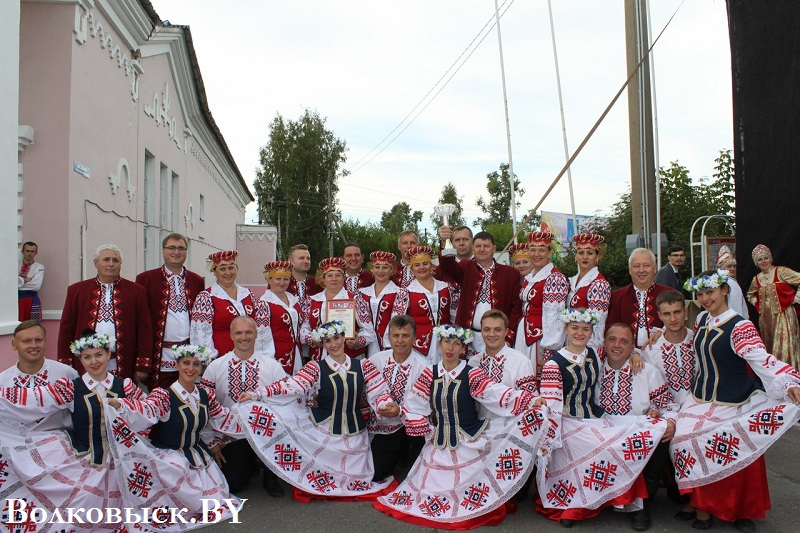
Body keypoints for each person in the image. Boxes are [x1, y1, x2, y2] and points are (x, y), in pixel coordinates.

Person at [374, 324, 550, 529]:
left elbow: (496, 393)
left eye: (456, 343)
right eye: (446, 341)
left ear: (463, 348)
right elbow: (415, 404)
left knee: (468, 486)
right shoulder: (430, 374)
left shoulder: (471, 373)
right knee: (429, 490)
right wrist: (411, 418)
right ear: (439, 344)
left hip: (469, 440)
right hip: (439, 441)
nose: (450, 347)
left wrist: (530, 401)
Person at [673, 269, 800, 531]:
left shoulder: (740, 326)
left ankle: (741, 510)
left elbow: (760, 360)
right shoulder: (702, 321)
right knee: (683, 438)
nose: (705, 298)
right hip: (701, 397)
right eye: (700, 293)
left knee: (738, 445)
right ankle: (700, 504)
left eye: (710, 292)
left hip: (734, 398)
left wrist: (787, 381)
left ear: (724, 291)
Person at [237, 321, 399, 500]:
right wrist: (257, 394)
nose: (334, 344)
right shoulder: (316, 368)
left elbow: (379, 391)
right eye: (328, 341)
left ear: (344, 337)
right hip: (325, 429)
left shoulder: (363, 365)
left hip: (355, 433)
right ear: (323, 344)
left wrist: (385, 405)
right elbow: (292, 386)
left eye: (337, 338)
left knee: (360, 478)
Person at [535, 309, 668, 528]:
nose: (580, 333)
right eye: (575, 328)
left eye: (585, 329)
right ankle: (574, 504)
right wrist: (549, 440)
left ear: (591, 333)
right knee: (601, 446)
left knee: (644, 435)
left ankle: (636, 504)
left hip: (594, 420)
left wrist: (636, 353)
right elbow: (552, 405)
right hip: (567, 422)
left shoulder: (594, 354)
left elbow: (619, 347)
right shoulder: (554, 364)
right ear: (566, 329)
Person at [0, 331, 147, 526]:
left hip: (121, 458)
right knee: (77, 502)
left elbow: (148, 413)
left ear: (108, 354)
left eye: (98, 355)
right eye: (87, 357)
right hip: (84, 456)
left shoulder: (125, 386)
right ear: (80, 359)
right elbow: (34, 400)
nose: (94, 361)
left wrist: (126, 414)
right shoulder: (70, 388)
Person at [107, 344, 244, 528]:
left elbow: (222, 419)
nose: (191, 368)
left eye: (196, 364)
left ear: (201, 368)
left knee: (216, 501)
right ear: (177, 365)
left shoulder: (205, 396)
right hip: (171, 455)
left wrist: (253, 417)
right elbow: (147, 408)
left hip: (197, 455)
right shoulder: (164, 395)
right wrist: (120, 404)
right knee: (178, 471)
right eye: (186, 362)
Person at [599, 323, 678, 531]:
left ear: (632, 346)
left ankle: (643, 505)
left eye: (624, 341)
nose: (617, 345)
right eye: (612, 339)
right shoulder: (593, 367)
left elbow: (669, 405)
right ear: (604, 342)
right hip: (603, 431)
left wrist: (670, 421)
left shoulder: (647, 371)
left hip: (635, 433)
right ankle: (587, 501)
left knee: (660, 432)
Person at [200, 316, 288, 496]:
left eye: (248, 332)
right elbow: (204, 406)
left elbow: (286, 399)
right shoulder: (216, 367)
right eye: (238, 333)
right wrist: (211, 440)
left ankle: (270, 475)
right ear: (231, 335)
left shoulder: (271, 366)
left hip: (265, 432)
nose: (244, 337)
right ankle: (250, 463)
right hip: (232, 434)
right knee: (232, 484)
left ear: (256, 334)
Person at [58, 244, 153, 382]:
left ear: (120, 264)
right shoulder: (77, 290)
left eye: (115, 260)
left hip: (123, 364)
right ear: (96, 263)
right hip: (86, 364)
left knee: (121, 401)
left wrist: (142, 365)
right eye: (106, 260)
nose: (111, 264)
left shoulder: (136, 291)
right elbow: (66, 329)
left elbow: (144, 330)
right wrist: (65, 364)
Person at [135, 233, 205, 389]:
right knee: (161, 402)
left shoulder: (197, 281)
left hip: (189, 356)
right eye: (171, 248)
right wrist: (142, 361)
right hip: (159, 356)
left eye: (181, 248)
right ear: (163, 251)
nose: (176, 252)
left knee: (187, 400)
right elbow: (140, 322)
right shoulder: (145, 279)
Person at [437, 227, 522, 355]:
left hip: (498, 338)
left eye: (486, 246)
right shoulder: (465, 267)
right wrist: (445, 242)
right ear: (473, 248)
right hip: (469, 339)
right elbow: (448, 266)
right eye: (478, 246)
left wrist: (509, 337)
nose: (482, 249)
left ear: (494, 248)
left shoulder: (510, 273)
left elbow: (516, 309)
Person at [368, 315, 428, 482]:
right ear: (389, 338)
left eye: (405, 335)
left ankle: (407, 454)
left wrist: (399, 411)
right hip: (383, 425)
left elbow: (423, 404)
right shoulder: (376, 360)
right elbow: (367, 390)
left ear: (414, 338)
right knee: (377, 474)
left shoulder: (424, 365)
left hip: (409, 423)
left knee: (417, 475)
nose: (400, 340)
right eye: (396, 335)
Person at [190, 250, 274, 361]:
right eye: (222, 269)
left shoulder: (248, 295)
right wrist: (211, 361)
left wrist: (263, 359)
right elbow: (201, 334)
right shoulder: (206, 298)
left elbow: (261, 330)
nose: (228, 273)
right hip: (221, 361)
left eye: (231, 267)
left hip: (251, 360)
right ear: (214, 271)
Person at [0, 320, 78, 430]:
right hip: (16, 441)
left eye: (38, 340)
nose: (34, 345)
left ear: (45, 341)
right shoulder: (3, 380)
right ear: (14, 344)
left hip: (58, 440)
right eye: (27, 341)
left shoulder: (66, 373)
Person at [514, 231, 569, 373]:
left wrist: (550, 350)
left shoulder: (554, 278)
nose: (536, 254)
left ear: (550, 253)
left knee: (537, 375)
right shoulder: (531, 277)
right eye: (532, 250)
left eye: (542, 250)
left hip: (541, 338)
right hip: (524, 333)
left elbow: (555, 317)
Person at [301, 257, 376, 360]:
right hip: (320, 358)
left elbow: (369, 331)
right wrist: (313, 339)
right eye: (330, 275)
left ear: (343, 278)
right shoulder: (312, 301)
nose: (334, 279)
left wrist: (358, 341)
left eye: (338, 275)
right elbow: (303, 330)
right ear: (323, 278)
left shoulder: (355, 300)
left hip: (349, 357)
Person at [390, 246, 452, 363]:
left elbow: (454, 315)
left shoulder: (446, 287)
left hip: (446, 343)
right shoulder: (405, 292)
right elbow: (396, 321)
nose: (421, 268)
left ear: (431, 265)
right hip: (419, 346)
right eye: (417, 265)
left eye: (425, 264)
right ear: (412, 269)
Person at [747, 244, 800, 370]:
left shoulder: (781, 271)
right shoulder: (757, 279)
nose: (763, 261)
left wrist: (795, 299)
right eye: (760, 259)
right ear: (756, 262)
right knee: (770, 346)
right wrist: (757, 305)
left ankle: (790, 374)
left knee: (785, 346)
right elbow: (750, 295)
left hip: (784, 316)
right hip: (766, 320)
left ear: (770, 258)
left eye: (765, 258)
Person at [607, 248, 672, 348]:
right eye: (636, 266)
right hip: (627, 356)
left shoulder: (669, 294)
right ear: (630, 270)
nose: (641, 270)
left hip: (662, 353)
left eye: (646, 265)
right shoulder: (616, 297)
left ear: (654, 268)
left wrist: (664, 332)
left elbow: (679, 323)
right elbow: (610, 330)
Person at [642, 290, 696, 407]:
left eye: (677, 312)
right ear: (659, 315)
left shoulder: (698, 341)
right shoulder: (651, 349)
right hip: (665, 412)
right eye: (667, 314)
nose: (673, 319)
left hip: (697, 408)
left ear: (685, 312)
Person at [568, 233, 612, 351]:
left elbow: (598, 322)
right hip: (573, 341)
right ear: (576, 256)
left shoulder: (599, 284)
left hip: (587, 346)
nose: (585, 257)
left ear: (597, 257)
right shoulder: (572, 282)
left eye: (590, 253)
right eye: (581, 253)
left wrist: (592, 350)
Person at [261, 260, 305, 374]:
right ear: (269, 280)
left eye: (286, 279)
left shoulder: (293, 299)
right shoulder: (263, 303)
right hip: (276, 355)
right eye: (278, 278)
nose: (282, 282)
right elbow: (261, 337)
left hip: (297, 354)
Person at [360, 251, 400, 356]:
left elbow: (397, 320)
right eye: (377, 267)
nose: (380, 271)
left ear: (391, 269)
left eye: (385, 267)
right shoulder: (362, 293)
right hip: (365, 343)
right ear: (372, 269)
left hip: (388, 342)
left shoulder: (399, 292)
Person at [716, 245, 748, 317]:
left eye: (734, 266)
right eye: (729, 266)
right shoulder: (728, 282)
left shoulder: (732, 282)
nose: (733, 269)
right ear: (722, 267)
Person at [18, 241, 44, 321]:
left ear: (36, 253)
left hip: (31, 300)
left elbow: (36, 285)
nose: (30, 253)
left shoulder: (39, 267)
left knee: (32, 326)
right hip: (15, 300)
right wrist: (26, 280)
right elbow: (10, 282)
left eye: (32, 251)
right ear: (23, 251)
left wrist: (18, 281)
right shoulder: (15, 265)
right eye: (27, 251)